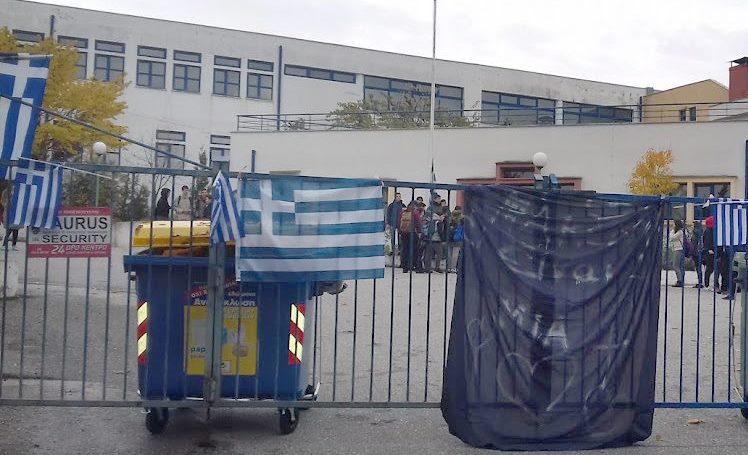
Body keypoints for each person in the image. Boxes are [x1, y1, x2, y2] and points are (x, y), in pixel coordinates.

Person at [423, 194, 446, 273]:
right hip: (431, 234)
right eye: (438, 199)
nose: (439, 200)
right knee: (428, 253)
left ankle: (437, 267)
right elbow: (427, 218)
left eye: (440, 199)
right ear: (434, 199)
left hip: (439, 234)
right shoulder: (430, 208)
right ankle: (427, 267)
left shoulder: (442, 208)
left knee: (439, 252)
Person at [399, 201, 422, 273]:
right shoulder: (415, 213)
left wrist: (400, 232)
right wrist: (419, 232)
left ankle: (405, 267)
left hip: (404, 233)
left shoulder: (402, 213)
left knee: (405, 250)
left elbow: (398, 223)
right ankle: (416, 266)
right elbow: (418, 223)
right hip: (412, 233)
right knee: (415, 250)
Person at [386, 192, 405, 263]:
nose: (398, 197)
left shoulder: (403, 205)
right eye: (397, 196)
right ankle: (393, 250)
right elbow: (388, 214)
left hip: (400, 224)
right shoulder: (391, 205)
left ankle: (400, 250)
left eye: (399, 196)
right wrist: (388, 223)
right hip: (392, 223)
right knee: (392, 237)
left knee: (400, 238)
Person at [703, 216, 718, 289]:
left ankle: (707, 283)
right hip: (711, 251)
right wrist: (710, 249)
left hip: (709, 251)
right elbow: (708, 241)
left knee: (709, 269)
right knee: (712, 268)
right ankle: (709, 284)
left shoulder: (707, 231)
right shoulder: (710, 231)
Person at [447, 206, 464, 273]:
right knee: (455, 254)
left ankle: (448, 267)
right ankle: (453, 267)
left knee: (449, 254)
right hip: (458, 238)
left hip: (449, 238)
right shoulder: (462, 219)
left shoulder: (450, 218)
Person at [669, 220, 685, 287]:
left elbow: (672, 238)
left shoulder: (680, 232)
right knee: (680, 266)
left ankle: (679, 281)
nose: (673, 225)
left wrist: (672, 230)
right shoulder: (680, 231)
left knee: (676, 265)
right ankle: (681, 280)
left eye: (674, 224)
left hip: (678, 249)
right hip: (679, 249)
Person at [692, 220, 705, 288]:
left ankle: (700, 282)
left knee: (698, 268)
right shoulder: (701, 232)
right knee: (699, 268)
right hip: (699, 252)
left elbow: (694, 243)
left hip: (696, 252)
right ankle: (701, 281)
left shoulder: (696, 232)